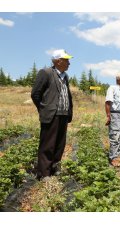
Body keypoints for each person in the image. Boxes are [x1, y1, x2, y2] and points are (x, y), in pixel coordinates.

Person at [31, 49, 73, 180]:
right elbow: (35, 94)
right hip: (51, 114)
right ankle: (43, 173)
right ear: (58, 61)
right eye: (66, 60)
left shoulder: (65, 77)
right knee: (47, 144)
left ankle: (54, 167)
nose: (69, 63)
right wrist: (43, 108)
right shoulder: (46, 73)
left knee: (60, 143)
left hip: (63, 114)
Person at [105, 72, 120, 167]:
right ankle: (113, 157)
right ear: (118, 80)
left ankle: (117, 155)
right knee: (114, 137)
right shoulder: (112, 88)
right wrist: (108, 116)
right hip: (114, 115)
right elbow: (108, 102)